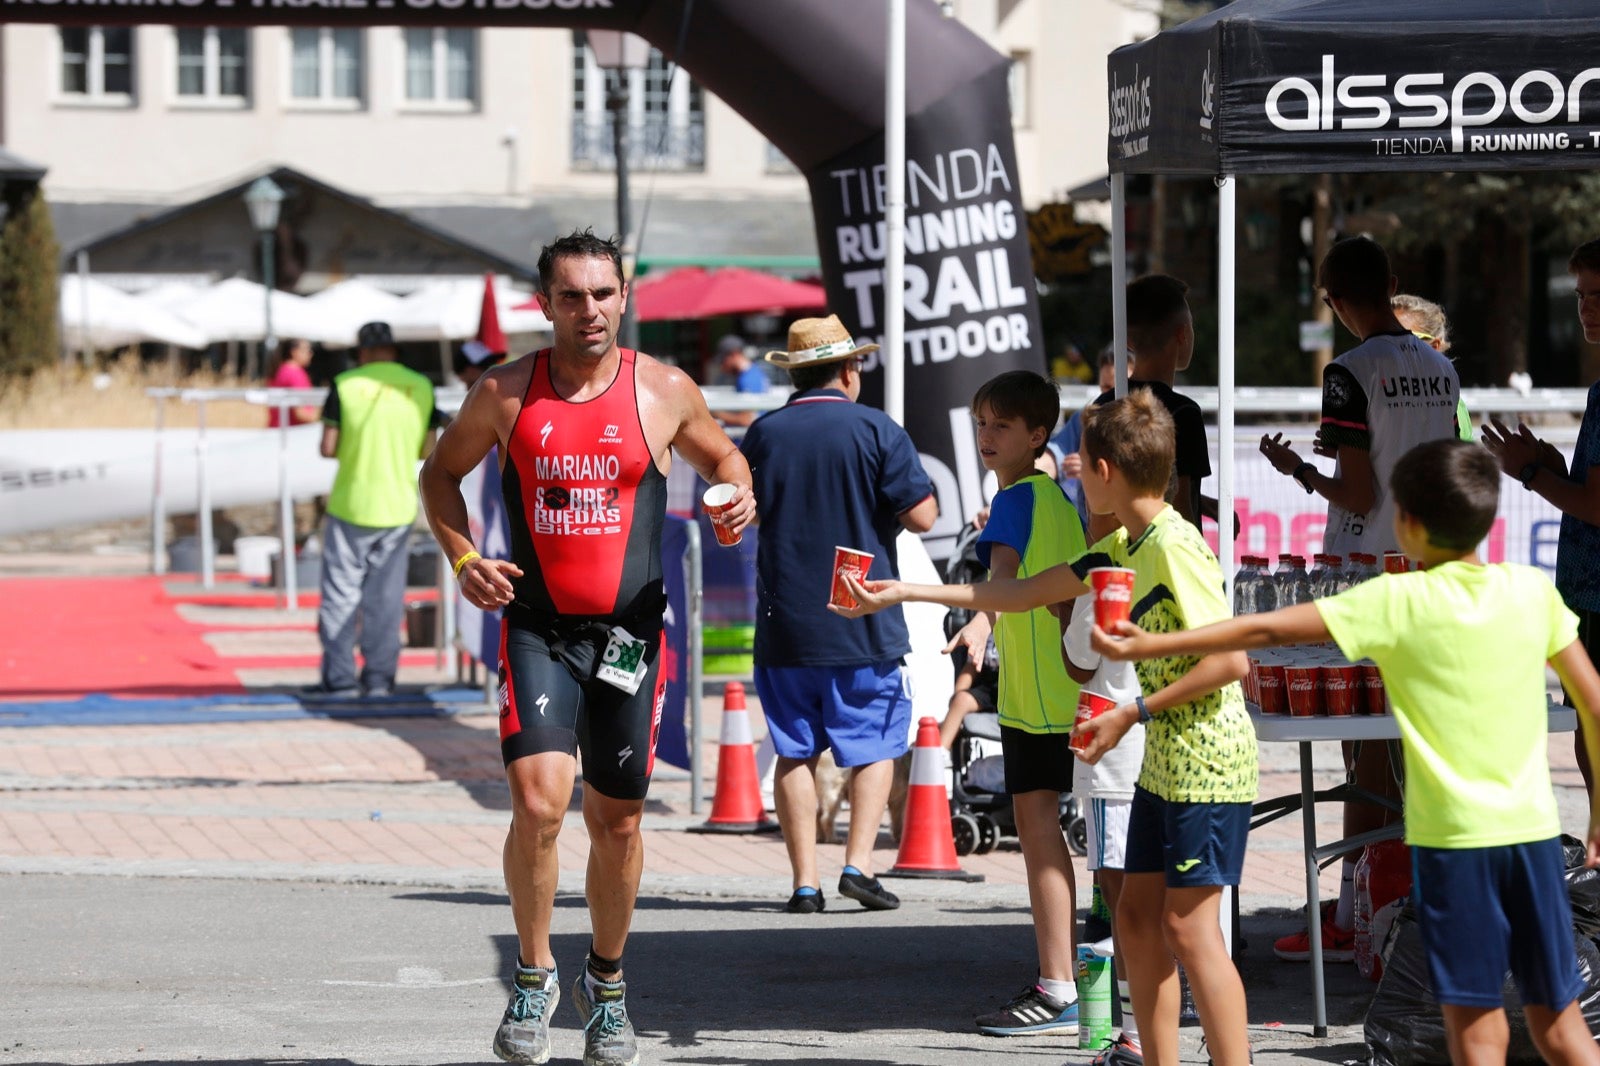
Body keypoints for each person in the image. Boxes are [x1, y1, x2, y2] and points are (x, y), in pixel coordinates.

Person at [1090, 438, 1600, 1066]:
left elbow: (1264, 628)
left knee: (1478, 1033)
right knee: (1561, 1029)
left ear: (1407, 524)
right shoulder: (1531, 593)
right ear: (1491, 519)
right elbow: (1596, 704)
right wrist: (1598, 818)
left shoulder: (1396, 600)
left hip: (1454, 852)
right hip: (1533, 843)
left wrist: (1146, 647)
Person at [832, 390, 1257, 1066]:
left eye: (1080, 464)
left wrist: (1133, 710)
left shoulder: (1174, 546)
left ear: (1107, 471)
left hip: (1205, 762)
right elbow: (1023, 592)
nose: (1072, 474)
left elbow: (1230, 659)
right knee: (1139, 923)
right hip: (1161, 763)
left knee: (1186, 928)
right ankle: (1154, 1056)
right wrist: (907, 591)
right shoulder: (1123, 542)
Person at [417, 229, 756, 1066]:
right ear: (545, 303)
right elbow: (438, 476)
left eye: (603, 293)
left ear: (623, 296)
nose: (590, 309)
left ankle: (605, 984)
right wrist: (463, 557)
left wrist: (736, 498)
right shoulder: (504, 393)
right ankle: (532, 978)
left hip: (630, 636)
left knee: (619, 820)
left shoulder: (664, 389)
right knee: (538, 805)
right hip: (536, 626)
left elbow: (727, 459)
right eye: (572, 295)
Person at [1258, 236, 1461, 964]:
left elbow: (1356, 489)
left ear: (1336, 301)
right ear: (1394, 283)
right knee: (1406, 748)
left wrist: (1301, 475)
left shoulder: (1349, 370)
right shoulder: (1440, 366)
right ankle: (1393, 909)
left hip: (1365, 577)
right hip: (1428, 570)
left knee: (1362, 752)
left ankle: (1354, 912)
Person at [739, 313, 937, 915]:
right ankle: (858, 865)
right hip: (862, 614)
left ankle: (805, 883)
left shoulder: (765, 434)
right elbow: (923, 517)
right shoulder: (877, 429)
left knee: (794, 750)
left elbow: (740, 509)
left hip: (785, 620)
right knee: (875, 744)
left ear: (796, 375)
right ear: (850, 370)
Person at [965, 370, 1087, 1036]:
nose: (986, 436)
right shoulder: (1060, 498)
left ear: (1038, 435)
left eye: (1001, 426)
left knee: (1041, 837)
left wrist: (978, 620)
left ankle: (1058, 982)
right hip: (1076, 690)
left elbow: (1001, 586)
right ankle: (1085, 979)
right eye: (981, 423)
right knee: (1095, 844)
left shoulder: (1016, 501)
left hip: (1039, 700)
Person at [1483, 238, 1600, 803]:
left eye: (1599, 296)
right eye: (1580, 296)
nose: (1587, 309)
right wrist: (1551, 464)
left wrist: (1529, 475)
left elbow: (1597, 507)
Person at [309, 320, 441, 699]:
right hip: (398, 506)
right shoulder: (420, 386)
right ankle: (380, 680)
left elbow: (328, 447)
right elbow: (426, 450)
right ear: (394, 351)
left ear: (362, 353)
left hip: (350, 502)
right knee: (385, 600)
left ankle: (340, 680)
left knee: (340, 596)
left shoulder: (345, 385)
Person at [1061, 510, 1146, 1066]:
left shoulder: (1103, 577)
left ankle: (1137, 1034)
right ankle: (1146, 1032)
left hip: (1111, 760)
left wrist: (1060, 611)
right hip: (1158, 756)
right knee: (1153, 906)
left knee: (1125, 908)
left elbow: (1077, 662)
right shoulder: (1174, 559)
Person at [1094, 275, 1211, 529]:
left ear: (1127, 341)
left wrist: (1206, 504)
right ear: (1182, 334)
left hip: (1112, 555)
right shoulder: (1183, 412)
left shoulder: (1104, 405)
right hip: (1164, 560)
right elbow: (1180, 506)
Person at [1054, 347, 1128, 528]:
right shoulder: (1085, 418)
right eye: (1105, 388)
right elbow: (1050, 456)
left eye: (1118, 388)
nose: (1109, 397)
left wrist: (1090, 471)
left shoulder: (1146, 430)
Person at [1391, 294, 1472, 441]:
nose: (1389, 348)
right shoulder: (1373, 390)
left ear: (1434, 347)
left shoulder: (1452, 400)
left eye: (1403, 339)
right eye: (1383, 337)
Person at [711, 334, 767, 428]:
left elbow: (747, 420)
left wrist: (714, 413)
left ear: (734, 354)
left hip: (747, 438)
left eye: (723, 361)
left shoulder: (748, 379)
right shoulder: (754, 371)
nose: (722, 367)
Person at [267, 338, 318, 426]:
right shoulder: (295, 373)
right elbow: (300, 413)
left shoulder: (281, 370)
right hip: (294, 432)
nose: (310, 354)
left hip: (279, 430)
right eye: (307, 350)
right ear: (294, 352)